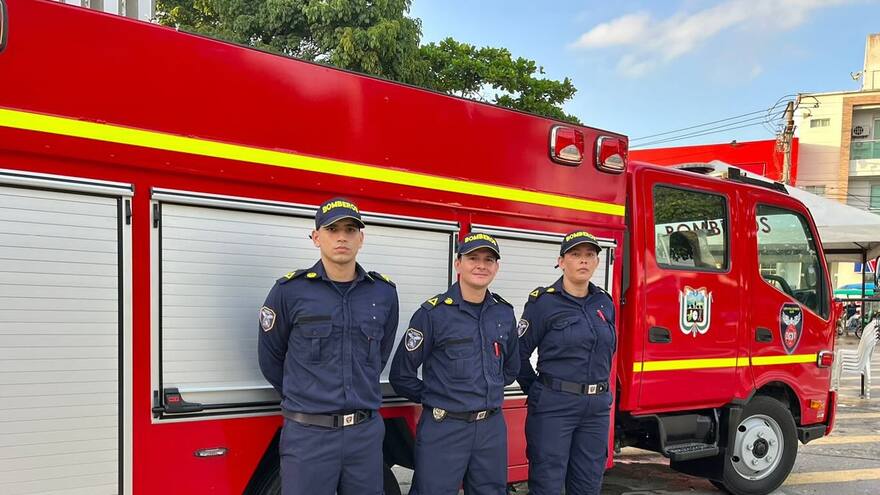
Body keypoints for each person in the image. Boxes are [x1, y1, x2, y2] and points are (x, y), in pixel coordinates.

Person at [258, 197, 399, 495]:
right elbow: (271, 358)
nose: (342, 237)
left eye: (350, 230)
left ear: (361, 238)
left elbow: (379, 355)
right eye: (332, 229)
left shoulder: (383, 293)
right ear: (316, 237)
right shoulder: (289, 292)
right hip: (309, 435)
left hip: (365, 435)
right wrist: (307, 396)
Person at [389, 232, 519, 495]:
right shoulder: (432, 314)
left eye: (489, 259)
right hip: (444, 428)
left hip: (491, 428)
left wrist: (487, 389)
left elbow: (511, 368)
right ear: (458, 264)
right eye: (473, 258)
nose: (481, 265)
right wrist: (437, 397)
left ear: (497, 267)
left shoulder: (503, 314)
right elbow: (401, 374)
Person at [516, 230, 616, 495]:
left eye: (589, 255)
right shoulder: (544, 303)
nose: (583, 260)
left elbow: (607, 350)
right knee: (547, 483)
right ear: (561, 262)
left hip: (596, 410)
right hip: (554, 407)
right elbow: (518, 354)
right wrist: (539, 390)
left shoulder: (604, 302)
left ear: (596, 262)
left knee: (588, 483)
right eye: (575, 255)